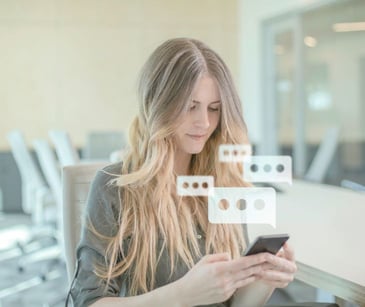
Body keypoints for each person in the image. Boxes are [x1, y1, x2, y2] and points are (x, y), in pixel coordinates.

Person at [68, 37, 297, 307]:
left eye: (214, 109)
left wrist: (263, 278)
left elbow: (235, 304)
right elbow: (88, 302)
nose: (204, 122)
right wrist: (181, 296)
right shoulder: (115, 187)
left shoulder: (223, 183)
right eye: (190, 107)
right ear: (159, 105)